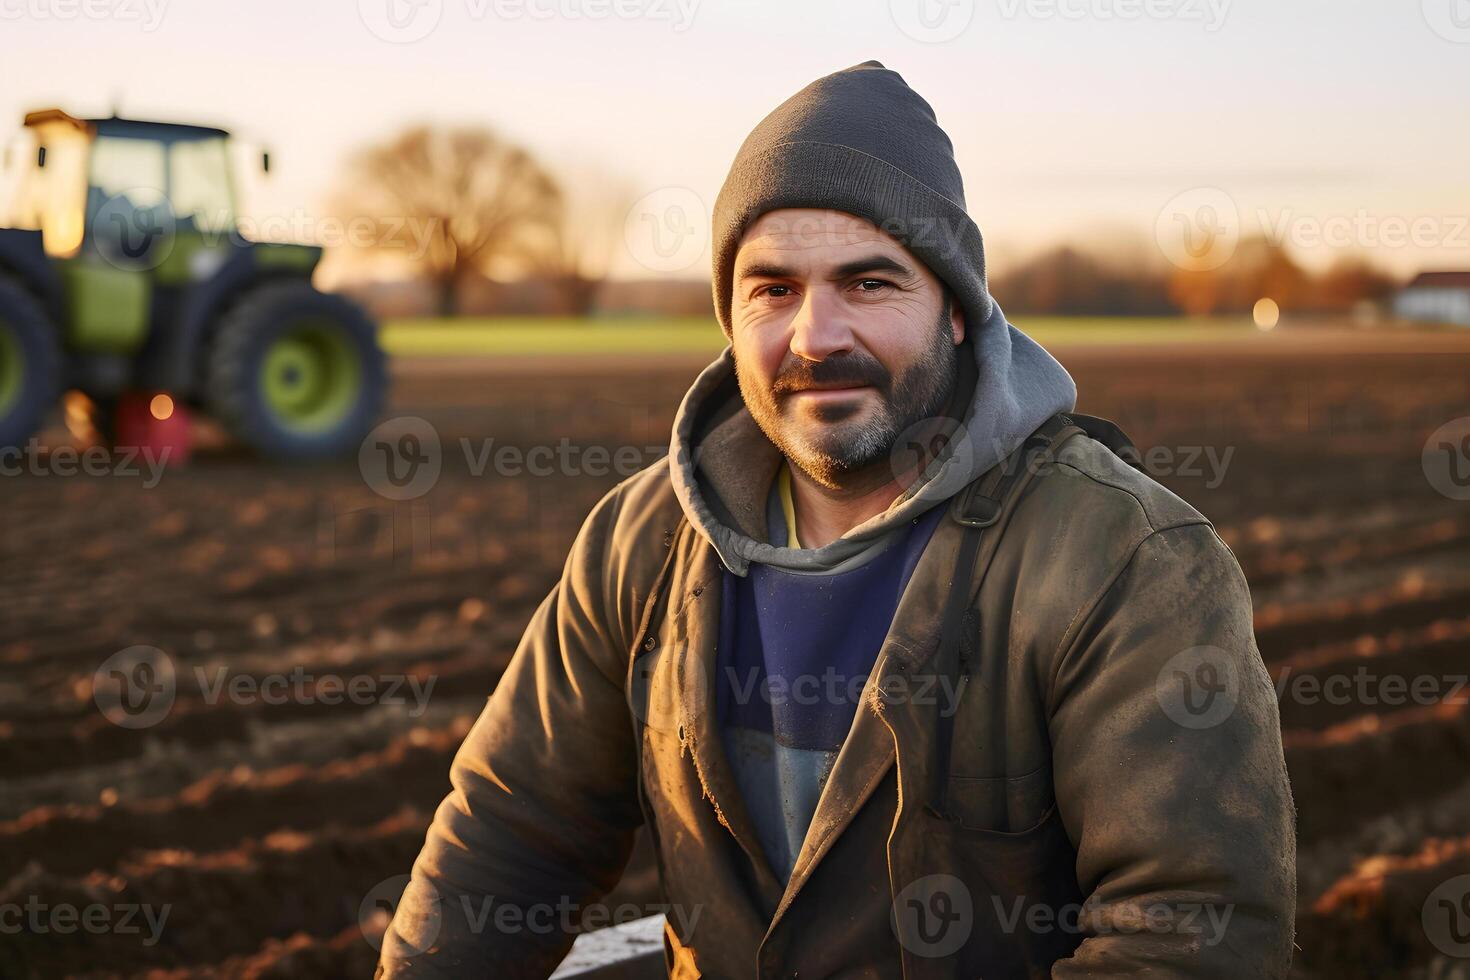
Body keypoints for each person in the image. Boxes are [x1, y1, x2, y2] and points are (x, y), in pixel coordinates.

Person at [376, 60, 1296, 979]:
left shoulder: (1126, 562)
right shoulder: (638, 540)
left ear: (960, 311)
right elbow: (509, 831)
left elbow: (1186, 932)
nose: (817, 337)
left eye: (869, 283)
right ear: (731, 318)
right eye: (773, 289)